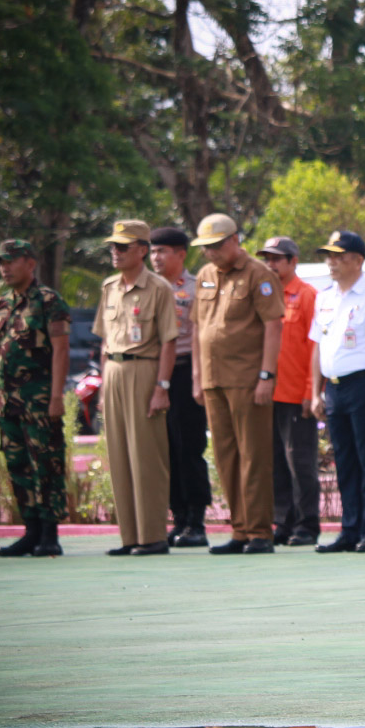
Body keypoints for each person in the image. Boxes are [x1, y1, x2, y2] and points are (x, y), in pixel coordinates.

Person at [189, 213, 285, 554]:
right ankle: (240, 530)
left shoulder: (259, 274)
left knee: (253, 457)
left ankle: (260, 531)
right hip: (215, 381)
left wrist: (266, 376)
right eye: (205, 248)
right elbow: (199, 327)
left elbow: (273, 326)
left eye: (216, 246)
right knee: (226, 456)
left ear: (233, 241)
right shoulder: (204, 276)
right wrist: (198, 377)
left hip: (247, 379)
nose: (210, 253)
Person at [309, 230, 365, 552]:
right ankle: (350, 529)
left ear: (358, 261)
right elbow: (317, 347)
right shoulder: (325, 297)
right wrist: (315, 392)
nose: (331, 262)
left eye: (339, 255)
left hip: (364, 385)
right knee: (344, 462)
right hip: (334, 387)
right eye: (329, 256)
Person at [94, 220, 179, 557]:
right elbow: (103, 342)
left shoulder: (158, 288)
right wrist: (102, 388)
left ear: (142, 250)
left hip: (144, 371)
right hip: (113, 371)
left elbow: (169, 342)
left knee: (147, 456)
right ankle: (129, 537)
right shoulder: (109, 287)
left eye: (123, 247)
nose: (115, 252)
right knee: (118, 455)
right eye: (113, 246)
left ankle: (153, 536)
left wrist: (162, 387)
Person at [0, 238, 71, 558]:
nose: (5, 267)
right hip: (10, 401)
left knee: (46, 465)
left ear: (30, 263)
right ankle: (31, 531)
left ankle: (50, 534)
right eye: (1, 262)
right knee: (18, 465)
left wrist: (56, 397)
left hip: (39, 398)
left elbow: (61, 350)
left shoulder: (49, 300)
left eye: (11, 261)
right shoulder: (3, 302)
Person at [150, 226, 212, 547]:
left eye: (163, 251)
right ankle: (177, 517)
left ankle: (196, 521)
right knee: (166, 451)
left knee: (189, 448)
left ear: (181, 254)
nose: (156, 258)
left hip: (187, 370)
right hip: (155, 374)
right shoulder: (147, 288)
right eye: (153, 251)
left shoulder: (195, 286)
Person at [256, 236, 319, 547]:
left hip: (296, 395)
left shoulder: (307, 296)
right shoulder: (263, 295)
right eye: (268, 259)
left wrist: (311, 391)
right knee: (276, 462)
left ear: (294, 261)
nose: (271, 265)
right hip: (267, 394)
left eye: (277, 259)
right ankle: (284, 521)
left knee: (301, 463)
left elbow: (313, 349)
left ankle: (308, 524)